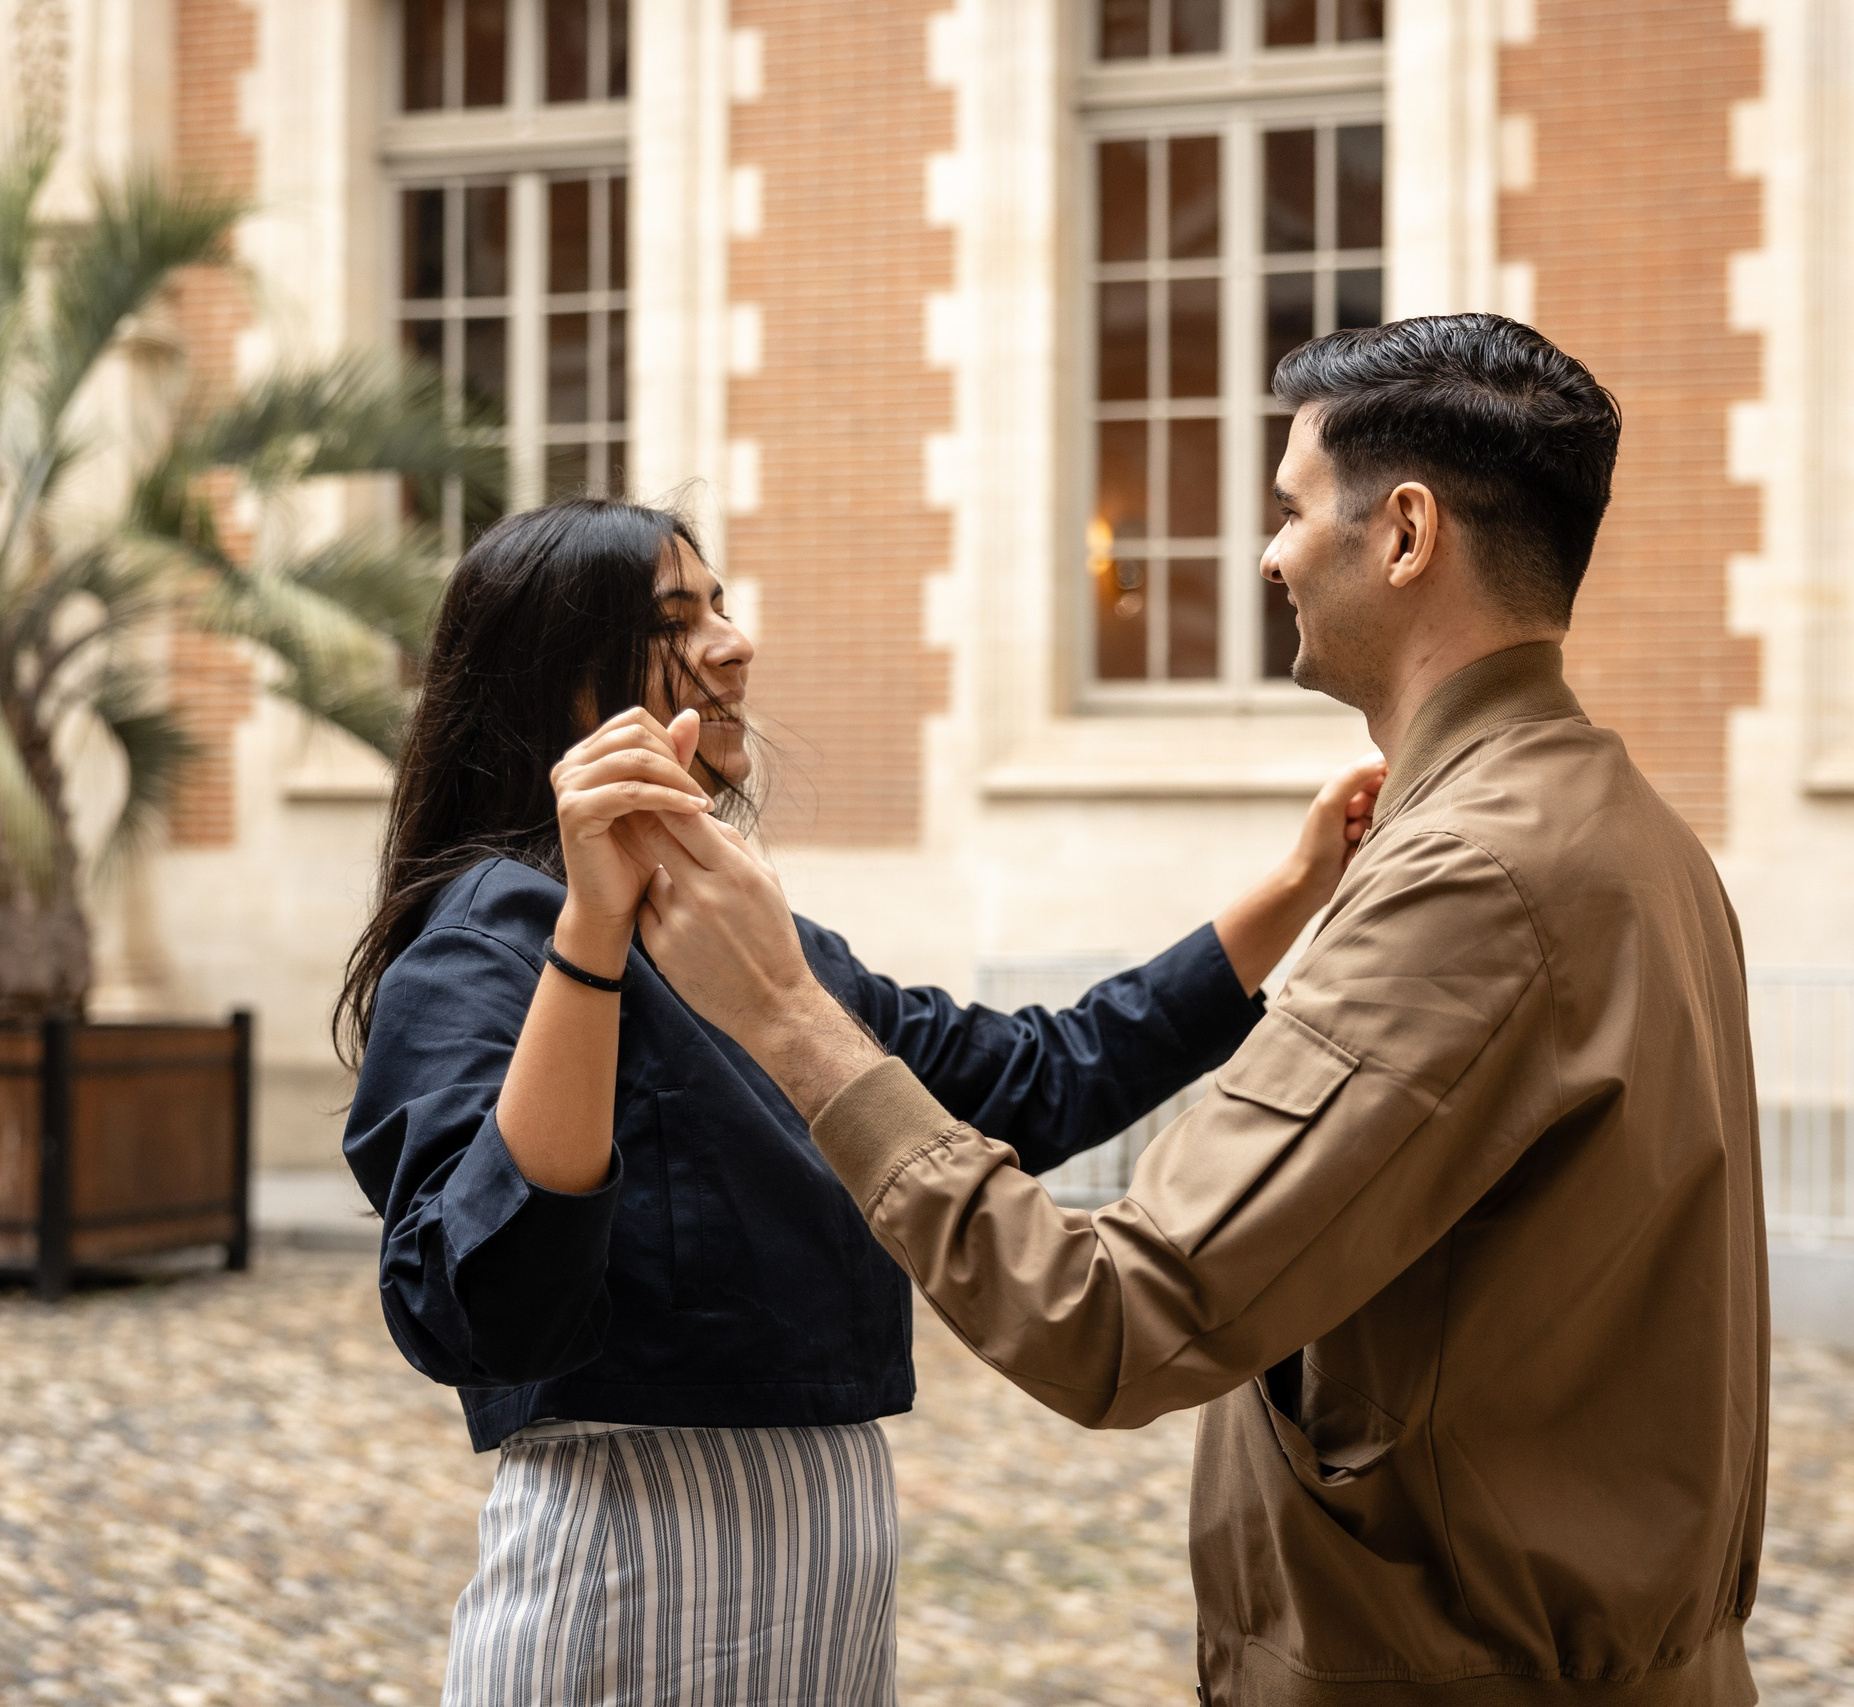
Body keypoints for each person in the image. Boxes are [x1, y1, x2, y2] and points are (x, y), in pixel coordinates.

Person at [633, 316, 1771, 1705]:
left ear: (1404, 533)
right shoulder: (1629, 829)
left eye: (1289, 509)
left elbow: (1115, 1316)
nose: (1268, 554)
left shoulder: (1476, 873)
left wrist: (787, 1016)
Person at [335, 498, 1385, 1705]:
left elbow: (1036, 1078)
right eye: (678, 620)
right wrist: (590, 932)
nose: (734, 643)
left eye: (721, 604)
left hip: (822, 1570)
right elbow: (481, 1309)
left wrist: (1300, 886)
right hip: (631, 1573)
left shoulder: (762, 944)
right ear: (567, 688)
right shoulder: (487, 937)